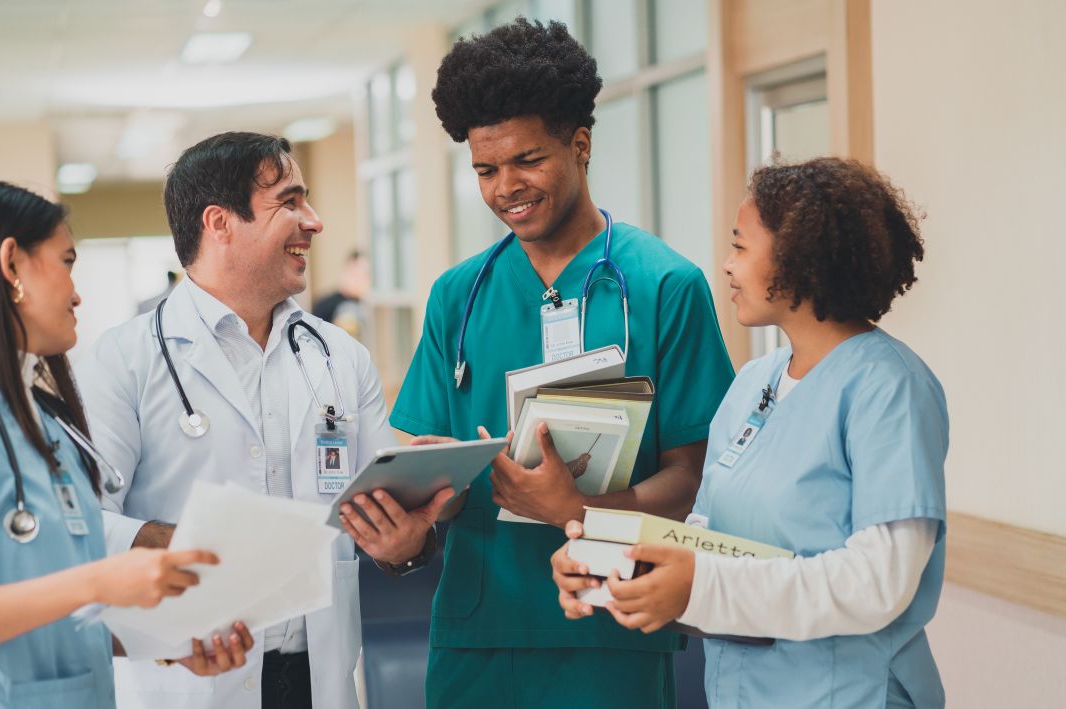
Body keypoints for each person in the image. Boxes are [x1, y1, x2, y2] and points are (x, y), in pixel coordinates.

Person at [352, 18, 734, 709]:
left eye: (527, 160)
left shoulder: (664, 287)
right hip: (476, 637)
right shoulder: (457, 298)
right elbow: (426, 461)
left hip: (609, 624)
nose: (506, 188)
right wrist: (412, 521)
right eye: (485, 169)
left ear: (580, 144)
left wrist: (582, 508)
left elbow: (693, 474)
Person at [551, 157, 949, 708]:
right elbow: (703, 536)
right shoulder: (752, 384)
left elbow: (879, 581)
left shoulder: (889, 389)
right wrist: (608, 562)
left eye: (740, 246)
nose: (726, 265)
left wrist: (699, 585)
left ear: (800, 260)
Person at [75, 132, 449, 709]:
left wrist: (405, 542)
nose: (314, 222)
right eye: (290, 202)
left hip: (318, 682)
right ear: (220, 223)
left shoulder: (339, 355)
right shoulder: (122, 360)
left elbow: (379, 513)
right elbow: (77, 524)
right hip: (187, 684)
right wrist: (186, 547)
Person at [0, 179, 253, 708]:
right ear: (12, 265)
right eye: (66, 261)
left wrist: (173, 643)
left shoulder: (45, 420)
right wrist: (97, 581)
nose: (77, 292)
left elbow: (55, 620)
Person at [311, 251, 369, 341]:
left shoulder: (362, 304)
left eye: (364, 275)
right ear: (345, 272)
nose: (359, 280)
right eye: (355, 274)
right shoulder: (344, 307)